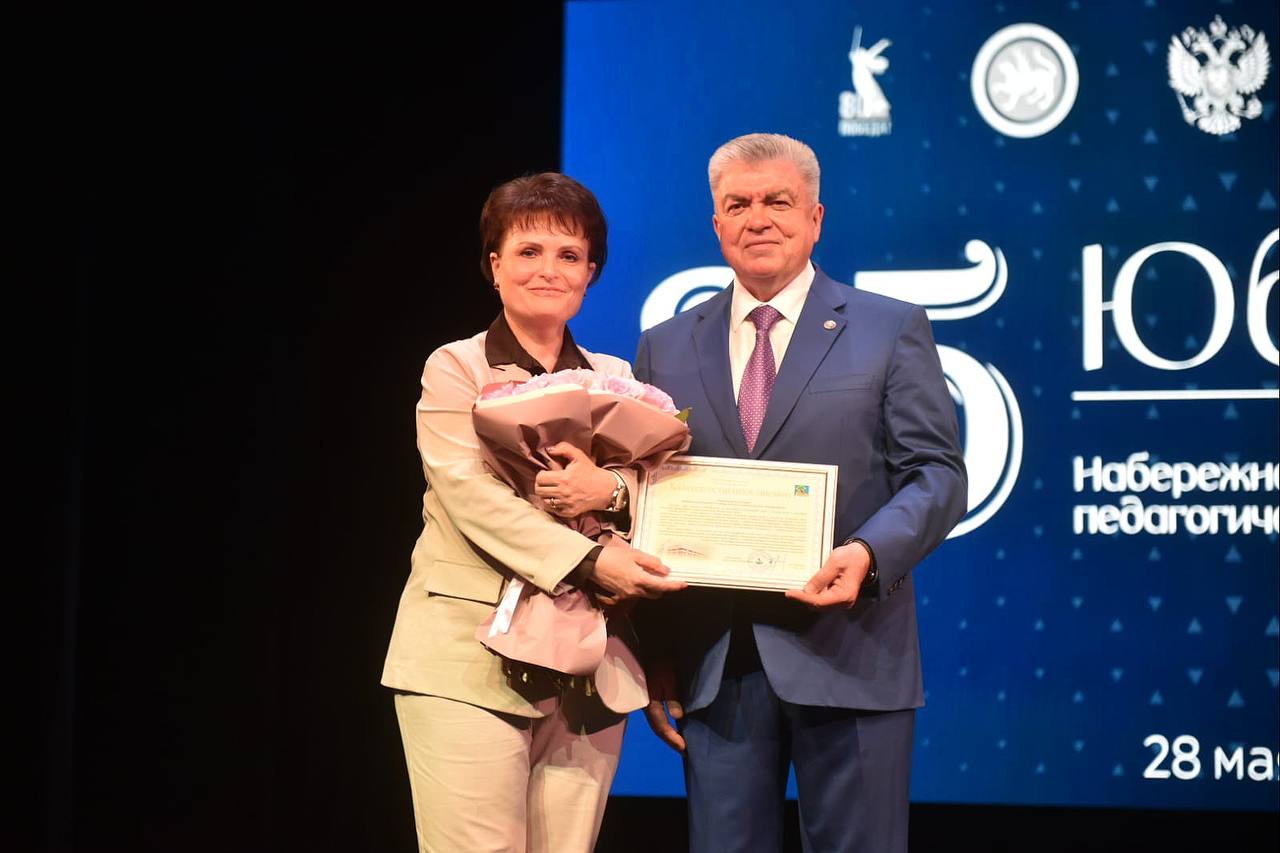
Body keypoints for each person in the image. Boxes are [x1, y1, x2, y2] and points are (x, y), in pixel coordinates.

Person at [634, 133, 968, 852]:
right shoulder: (665, 345)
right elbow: (650, 492)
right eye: (738, 205)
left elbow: (938, 474)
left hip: (850, 647)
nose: (758, 218)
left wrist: (867, 552)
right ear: (716, 224)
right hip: (715, 662)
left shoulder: (889, 327)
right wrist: (655, 653)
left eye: (777, 201)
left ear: (815, 218)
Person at [381, 172, 683, 853]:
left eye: (569, 254)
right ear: (494, 266)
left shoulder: (618, 380)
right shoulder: (455, 367)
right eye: (528, 251)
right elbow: (470, 495)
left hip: (588, 669)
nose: (549, 269)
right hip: (466, 660)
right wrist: (592, 559)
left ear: (591, 273)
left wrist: (610, 490)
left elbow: (662, 491)